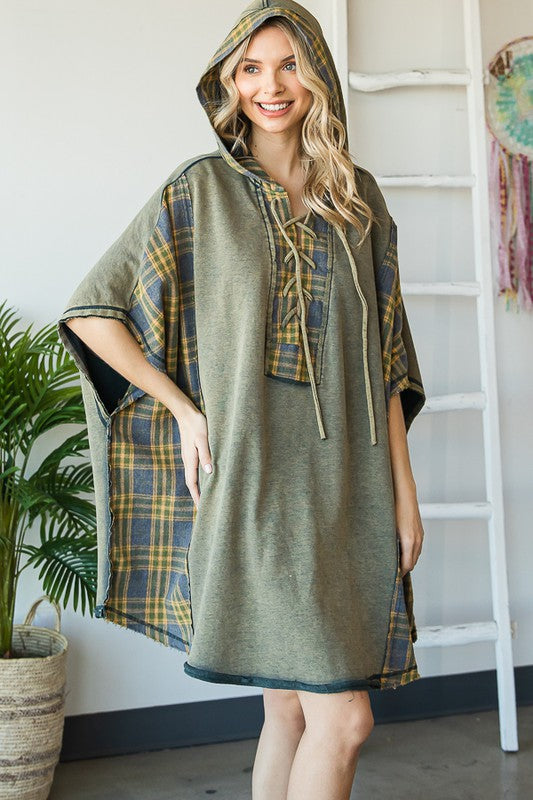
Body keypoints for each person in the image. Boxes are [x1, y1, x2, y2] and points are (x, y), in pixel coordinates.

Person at [58, 1, 427, 797]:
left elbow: (388, 363)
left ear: (317, 76)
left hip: (350, 487)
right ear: (229, 82)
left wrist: (403, 492)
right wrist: (185, 410)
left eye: (290, 64)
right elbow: (94, 312)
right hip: (255, 485)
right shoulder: (199, 192)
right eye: (251, 68)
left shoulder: (359, 201)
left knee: (290, 709)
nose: (271, 85)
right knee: (345, 720)